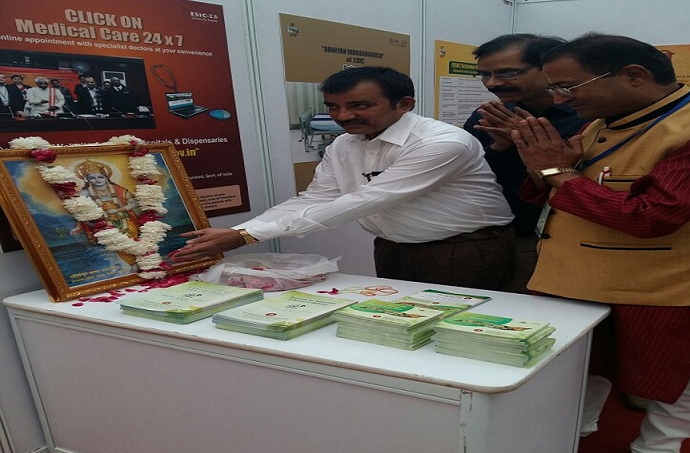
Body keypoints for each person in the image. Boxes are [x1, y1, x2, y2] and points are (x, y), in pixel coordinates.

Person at [510, 33, 690, 453]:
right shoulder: (600, 121)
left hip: (665, 284)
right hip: (574, 275)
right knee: (583, 364)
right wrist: (543, 168)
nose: (559, 99)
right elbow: (560, 187)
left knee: (677, 375)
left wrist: (556, 169)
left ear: (634, 75)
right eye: (554, 88)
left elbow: (652, 216)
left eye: (568, 87)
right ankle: (579, 424)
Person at [171, 66, 515, 290]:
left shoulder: (443, 143)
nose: (342, 116)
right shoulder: (344, 144)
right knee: (403, 323)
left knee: (463, 331)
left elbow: (367, 199)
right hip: (393, 247)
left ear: (404, 104)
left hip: (463, 250)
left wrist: (247, 236)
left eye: (359, 106)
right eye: (333, 106)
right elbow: (316, 198)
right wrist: (241, 230)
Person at [463, 34, 586, 294]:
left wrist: (531, 142)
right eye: (485, 75)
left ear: (548, 69)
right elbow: (469, 176)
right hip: (496, 232)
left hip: (567, 234)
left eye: (508, 73)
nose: (493, 83)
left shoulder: (586, 115)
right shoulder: (491, 115)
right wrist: (499, 148)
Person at [70, 159, 141, 271]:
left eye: (100, 177)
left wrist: (118, 210)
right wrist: (79, 226)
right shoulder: (85, 193)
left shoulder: (118, 189)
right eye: (92, 178)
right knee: (117, 245)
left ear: (106, 177)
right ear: (87, 179)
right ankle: (133, 264)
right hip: (105, 225)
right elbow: (82, 212)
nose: (97, 180)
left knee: (134, 242)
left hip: (125, 220)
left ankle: (142, 261)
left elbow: (134, 203)